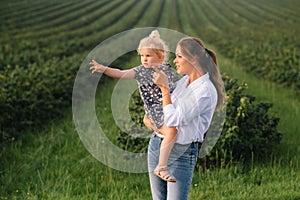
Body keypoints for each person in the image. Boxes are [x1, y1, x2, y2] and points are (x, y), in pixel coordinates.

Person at [89, 30, 178, 182]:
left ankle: (151, 125)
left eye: (148, 56)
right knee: (171, 132)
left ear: (161, 56)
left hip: (168, 105)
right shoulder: (141, 71)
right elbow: (121, 73)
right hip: (156, 110)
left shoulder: (167, 69)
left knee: (174, 128)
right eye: (142, 56)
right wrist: (104, 69)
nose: (144, 59)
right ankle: (161, 167)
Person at [144, 37, 225, 200]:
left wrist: (165, 89)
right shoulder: (183, 82)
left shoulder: (205, 91)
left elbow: (173, 119)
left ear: (193, 58)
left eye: (179, 56)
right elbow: (164, 111)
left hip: (182, 152)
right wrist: (152, 120)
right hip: (156, 144)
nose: (175, 60)